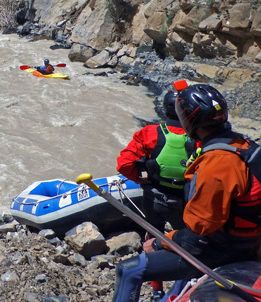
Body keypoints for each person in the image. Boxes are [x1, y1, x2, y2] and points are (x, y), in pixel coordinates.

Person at [112, 84, 261, 302]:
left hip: (223, 248)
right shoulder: (247, 146)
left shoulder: (217, 162)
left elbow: (196, 235)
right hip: (248, 240)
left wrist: (158, 243)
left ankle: (161, 293)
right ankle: (172, 295)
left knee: (128, 269)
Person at [116, 91, 195, 300]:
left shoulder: (149, 132)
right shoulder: (198, 137)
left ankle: (156, 291)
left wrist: (139, 179)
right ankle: (181, 289)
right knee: (186, 242)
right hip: (185, 202)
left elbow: (124, 164)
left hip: (154, 197)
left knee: (152, 238)